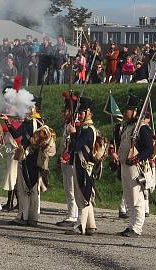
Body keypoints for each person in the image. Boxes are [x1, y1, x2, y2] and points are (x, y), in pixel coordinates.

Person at [3, 97, 55, 226]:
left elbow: (16, 135)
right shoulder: (42, 123)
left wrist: (8, 123)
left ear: (33, 108)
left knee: (23, 188)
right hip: (38, 159)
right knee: (34, 188)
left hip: (28, 158)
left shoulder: (28, 123)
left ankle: (23, 216)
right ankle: (33, 217)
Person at [111, 92, 154, 238]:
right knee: (129, 198)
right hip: (125, 165)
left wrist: (137, 158)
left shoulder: (142, 128)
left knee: (137, 198)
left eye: (128, 109)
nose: (125, 111)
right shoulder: (129, 126)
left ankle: (137, 228)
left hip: (136, 167)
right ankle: (131, 225)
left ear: (135, 111)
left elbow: (149, 149)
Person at [63, 97, 98, 235]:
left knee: (82, 196)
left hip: (83, 165)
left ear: (89, 112)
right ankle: (91, 225)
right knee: (86, 196)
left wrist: (72, 134)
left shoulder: (88, 129)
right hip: (81, 164)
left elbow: (77, 146)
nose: (80, 115)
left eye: (82, 112)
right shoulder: (85, 128)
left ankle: (79, 226)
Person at [56, 92, 78, 227]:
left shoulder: (75, 125)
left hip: (71, 161)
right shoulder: (66, 124)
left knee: (71, 189)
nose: (63, 113)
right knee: (68, 188)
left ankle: (73, 216)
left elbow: (74, 144)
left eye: (66, 110)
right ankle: (71, 214)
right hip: (65, 160)